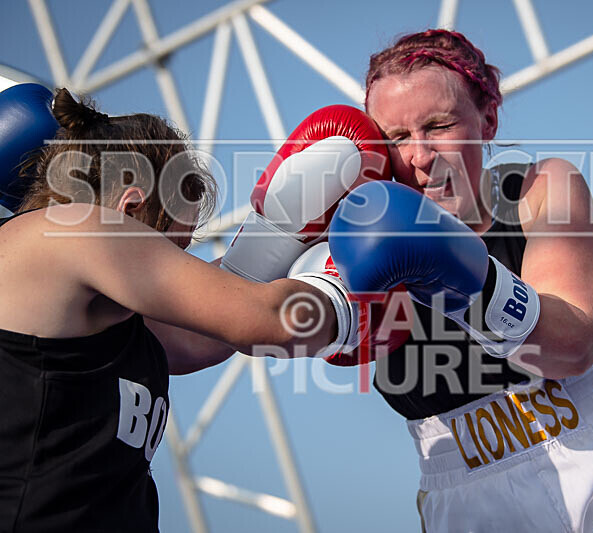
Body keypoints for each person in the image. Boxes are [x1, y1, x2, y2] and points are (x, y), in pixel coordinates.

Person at [326, 29, 593, 532]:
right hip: (464, 497)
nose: (421, 155)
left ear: (487, 119)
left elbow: (572, 346)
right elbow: (226, 335)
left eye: (439, 124)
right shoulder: (347, 245)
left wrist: (450, 268)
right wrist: (275, 238)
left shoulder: (539, 190)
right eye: (398, 138)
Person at [0, 86, 373, 532]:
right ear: (130, 206)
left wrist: (280, 230)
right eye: (173, 249)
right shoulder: (70, 229)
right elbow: (265, 320)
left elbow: (211, 329)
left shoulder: (103, 314)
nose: (178, 267)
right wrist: (342, 284)